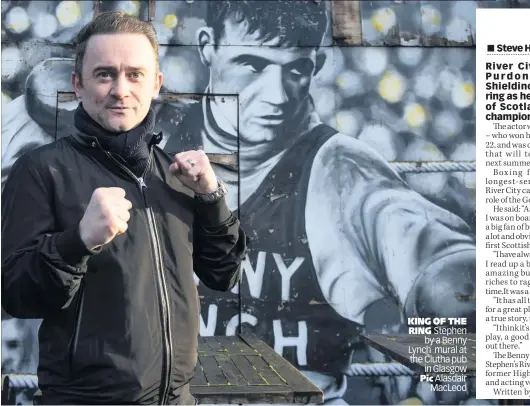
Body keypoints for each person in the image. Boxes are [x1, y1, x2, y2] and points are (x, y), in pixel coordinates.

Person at [162, 1, 477, 404]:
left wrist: (451, 285)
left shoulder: (341, 169)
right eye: (253, 65)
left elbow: (426, 248)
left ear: (318, 63)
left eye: (295, 69)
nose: (276, 95)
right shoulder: (152, 143)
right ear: (208, 46)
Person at [1, 11, 247, 405]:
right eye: (104, 74)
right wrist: (77, 241)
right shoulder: (40, 170)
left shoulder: (174, 173)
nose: (120, 89)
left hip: (178, 399)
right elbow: (15, 296)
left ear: (156, 85)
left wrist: (212, 199)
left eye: (135, 74)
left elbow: (224, 274)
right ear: (77, 85)